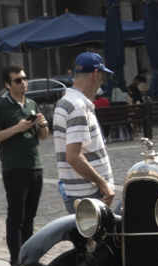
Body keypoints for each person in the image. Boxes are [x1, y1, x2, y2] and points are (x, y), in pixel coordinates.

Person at [0, 64, 48, 266]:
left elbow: (43, 137)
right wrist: (17, 128)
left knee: (30, 215)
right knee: (16, 216)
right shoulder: (1, 107)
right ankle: (16, 261)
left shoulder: (32, 103)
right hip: (14, 167)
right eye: (18, 80)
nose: (23, 83)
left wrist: (42, 124)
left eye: (24, 78)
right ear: (7, 84)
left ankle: (30, 258)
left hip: (35, 165)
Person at [52, 52, 114, 214]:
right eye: (102, 76)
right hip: (87, 192)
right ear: (95, 74)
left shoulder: (65, 102)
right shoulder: (78, 106)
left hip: (78, 190)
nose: (101, 81)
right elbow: (73, 156)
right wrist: (102, 182)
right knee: (92, 239)